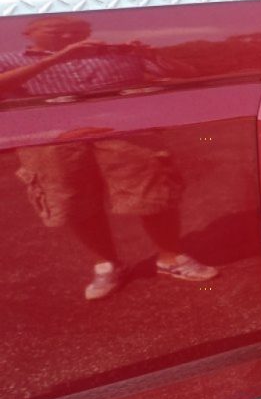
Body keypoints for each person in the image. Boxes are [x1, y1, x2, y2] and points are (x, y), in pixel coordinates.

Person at [1, 16, 218, 300]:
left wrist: (149, 55)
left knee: (152, 194)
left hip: (125, 130)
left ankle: (171, 259)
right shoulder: (11, 58)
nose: (68, 34)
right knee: (73, 202)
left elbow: (188, 73)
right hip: (50, 138)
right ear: (29, 32)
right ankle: (107, 265)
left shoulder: (120, 53)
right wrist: (58, 59)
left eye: (78, 30)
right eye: (56, 29)